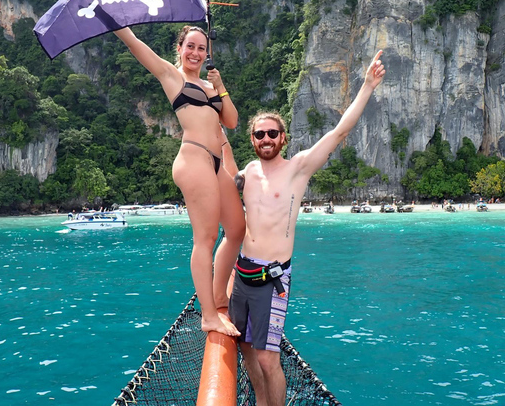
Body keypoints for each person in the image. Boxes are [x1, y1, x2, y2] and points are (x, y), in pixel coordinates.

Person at [229, 50, 385, 406]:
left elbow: (340, 131)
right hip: (241, 274)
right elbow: (219, 184)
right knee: (245, 348)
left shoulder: (298, 168)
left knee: (269, 358)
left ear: (283, 137)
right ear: (252, 139)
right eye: (259, 134)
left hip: (273, 279)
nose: (265, 139)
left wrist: (367, 86)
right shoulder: (248, 172)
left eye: (272, 133)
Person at [112, 24, 245, 336]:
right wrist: (109, 14)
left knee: (237, 228)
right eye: (191, 47)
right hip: (194, 159)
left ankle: (217, 294)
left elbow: (232, 121)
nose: (196, 53)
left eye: (202, 48)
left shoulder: (211, 86)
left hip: (215, 163)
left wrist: (221, 84)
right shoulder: (172, 76)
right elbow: (133, 43)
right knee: (206, 239)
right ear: (180, 49)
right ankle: (210, 316)